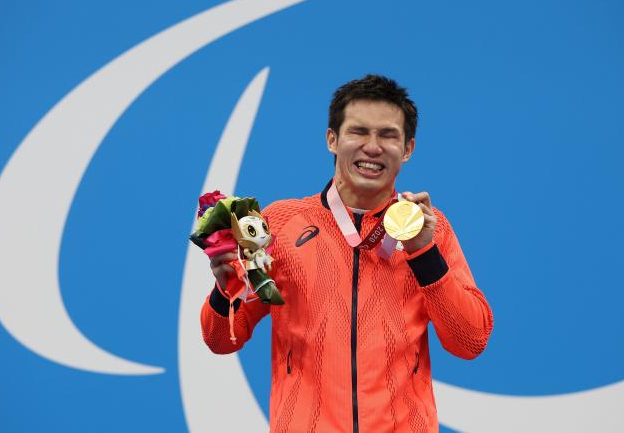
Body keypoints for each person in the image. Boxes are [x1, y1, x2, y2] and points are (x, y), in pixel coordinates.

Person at [201, 75, 493, 433]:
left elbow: (470, 341)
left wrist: (423, 252)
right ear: (332, 140)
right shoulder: (280, 223)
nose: (373, 147)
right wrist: (225, 284)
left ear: (408, 149)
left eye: (388, 135)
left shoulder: (431, 229)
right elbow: (222, 339)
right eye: (359, 132)